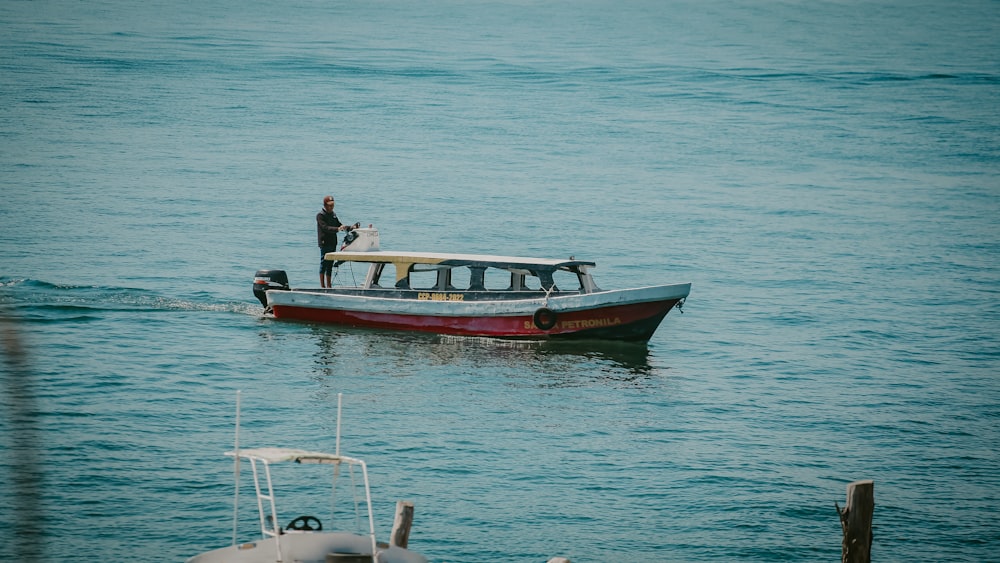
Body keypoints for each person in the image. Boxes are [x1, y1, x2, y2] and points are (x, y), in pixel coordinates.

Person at [316, 195, 348, 288]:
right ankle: (322, 286)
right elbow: (325, 228)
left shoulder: (333, 215)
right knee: (324, 263)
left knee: (330, 264)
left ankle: (329, 286)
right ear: (325, 205)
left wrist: (350, 227)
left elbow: (339, 224)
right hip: (324, 242)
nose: (331, 207)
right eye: (329, 205)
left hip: (332, 242)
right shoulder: (320, 215)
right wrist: (338, 229)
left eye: (333, 205)